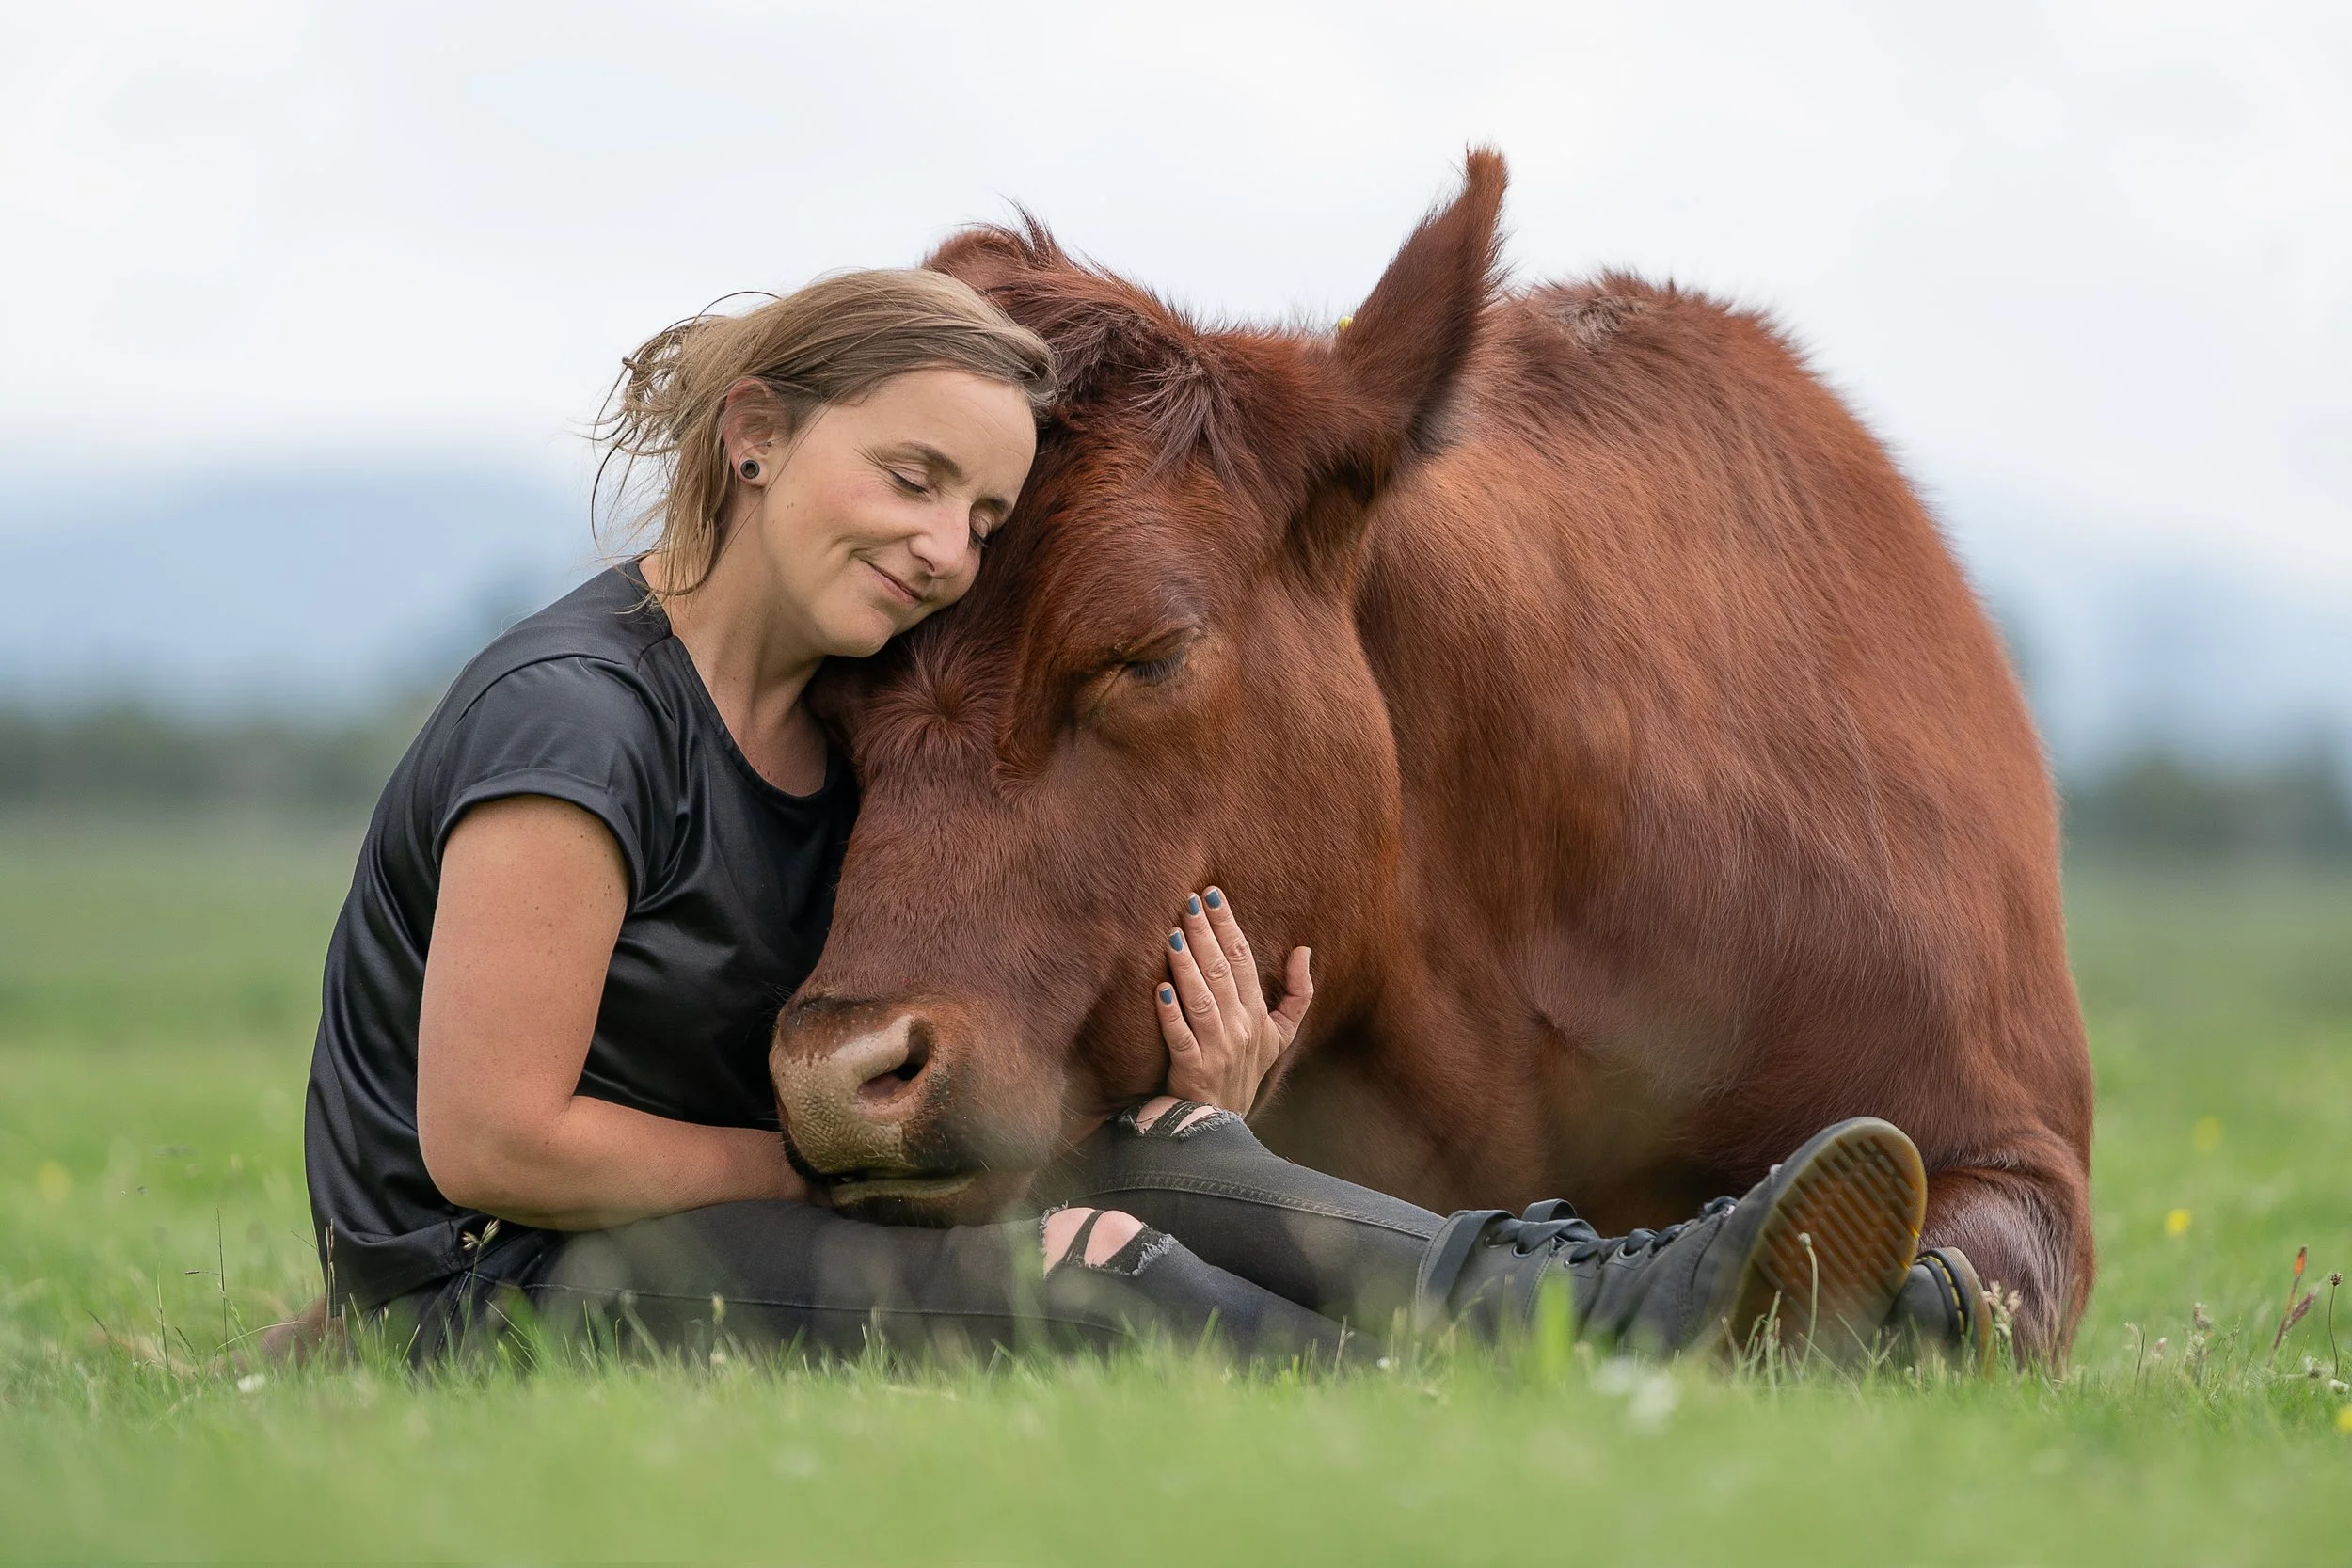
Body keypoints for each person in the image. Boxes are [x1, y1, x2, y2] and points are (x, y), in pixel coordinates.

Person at [300, 269, 1981, 1370]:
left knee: (1179, 1156)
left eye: (977, 513)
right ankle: (1526, 1388)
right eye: (905, 479)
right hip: (495, 1285)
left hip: (695, 1215)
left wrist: (1184, 1107)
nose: (944, 550)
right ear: (753, 438)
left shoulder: (832, 700)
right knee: (1090, 1255)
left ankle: (1640, 1301)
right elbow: (486, 1146)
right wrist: (828, 1172)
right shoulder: (577, 724)